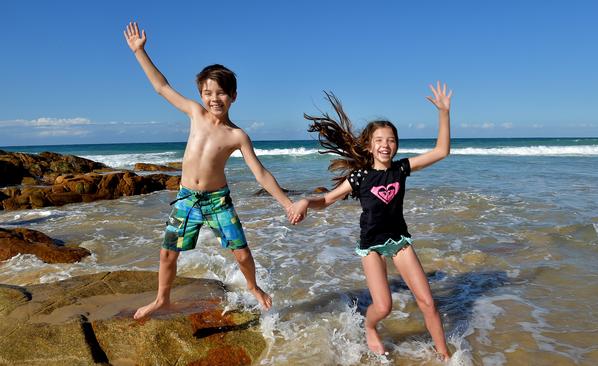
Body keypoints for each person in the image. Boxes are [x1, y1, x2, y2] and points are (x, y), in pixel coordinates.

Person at [123, 22, 298, 319]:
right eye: (207, 93)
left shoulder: (237, 135)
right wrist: (140, 52)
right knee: (167, 253)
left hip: (217, 201)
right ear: (201, 95)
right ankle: (161, 299)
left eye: (221, 93)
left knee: (241, 253)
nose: (214, 99)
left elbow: (261, 173)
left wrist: (287, 203)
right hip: (188, 198)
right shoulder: (195, 112)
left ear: (233, 96)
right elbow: (161, 87)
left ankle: (254, 287)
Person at [289, 82, 453, 359]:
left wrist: (444, 113)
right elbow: (327, 200)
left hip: (400, 241)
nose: (385, 145)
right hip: (372, 246)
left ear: (396, 144)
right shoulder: (359, 177)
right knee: (384, 306)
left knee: (427, 302)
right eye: (379, 140)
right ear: (369, 145)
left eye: (390, 140)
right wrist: (306, 201)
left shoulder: (401, 169)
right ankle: (370, 325)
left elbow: (441, 152)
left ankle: (445, 356)